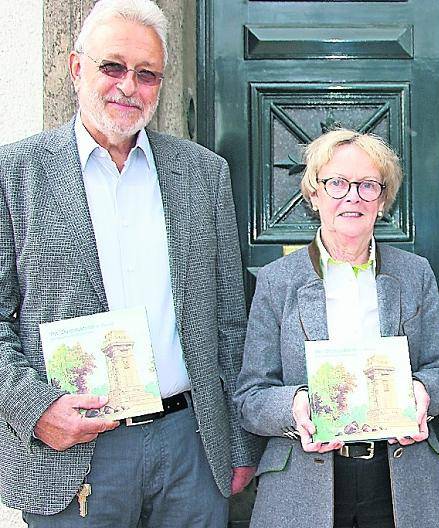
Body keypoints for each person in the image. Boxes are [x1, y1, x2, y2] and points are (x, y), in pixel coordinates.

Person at [0, 0, 262, 525]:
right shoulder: (15, 173)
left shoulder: (203, 173)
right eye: (112, 66)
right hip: (74, 452)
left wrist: (238, 443)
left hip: (190, 446)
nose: (128, 86)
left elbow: (230, 321)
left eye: (147, 74)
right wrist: (34, 409)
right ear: (76, 68)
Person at [235, 128, 439, 528]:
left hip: (400, 482)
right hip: (303, 484)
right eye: (337, 183)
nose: (352, 196)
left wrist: (423, 392)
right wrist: (296, 406)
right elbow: (250, 398)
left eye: (368, 185)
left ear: (383, 200)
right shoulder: (277, 281)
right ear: (314, 194)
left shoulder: (415, 274)